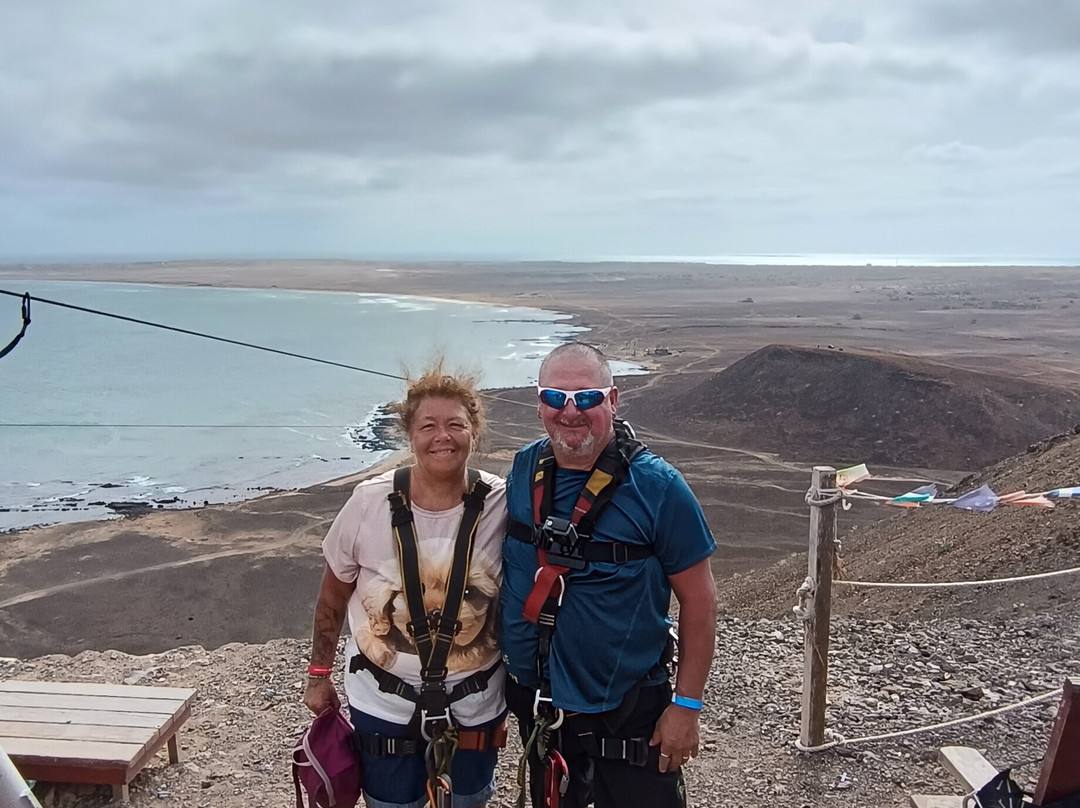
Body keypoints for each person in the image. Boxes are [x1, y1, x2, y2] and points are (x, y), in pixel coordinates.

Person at [499, 342, 717, 808]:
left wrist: (687, 707)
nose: (570, 411)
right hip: (541, 712)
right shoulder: (523, 469)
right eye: (556, 398)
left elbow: (700, 601)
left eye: (587, 397)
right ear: (540, 405)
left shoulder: (659, 487)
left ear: (613, 401)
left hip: (627, 715)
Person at [304, 364, 508, 808]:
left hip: (475, 705)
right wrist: (318, 675)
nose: (443, 436)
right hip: (383, 705)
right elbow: (334, 593)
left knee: (470, 801)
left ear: (474, 431)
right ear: (409, 435)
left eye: (456, 424)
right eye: (428, 425)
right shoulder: (368, 502)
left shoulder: (501, 503)